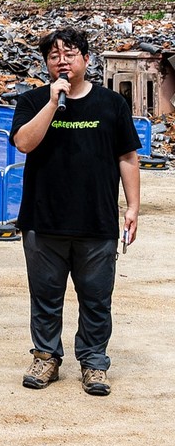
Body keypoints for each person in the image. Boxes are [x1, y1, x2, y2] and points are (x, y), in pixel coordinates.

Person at [12, 28, 140, 396]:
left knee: (96, 299)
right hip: (43, 221)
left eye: (69, 54)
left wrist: (133, 207)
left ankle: (94, 362)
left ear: (86, 59)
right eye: (54, 56)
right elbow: (23, 143)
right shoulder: (33, 100)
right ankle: (46, 357)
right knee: (45, 297)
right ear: (46, 64)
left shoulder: (111, 104)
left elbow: (127, 157)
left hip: (97, 221)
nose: (62, 61)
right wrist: (53, 104)